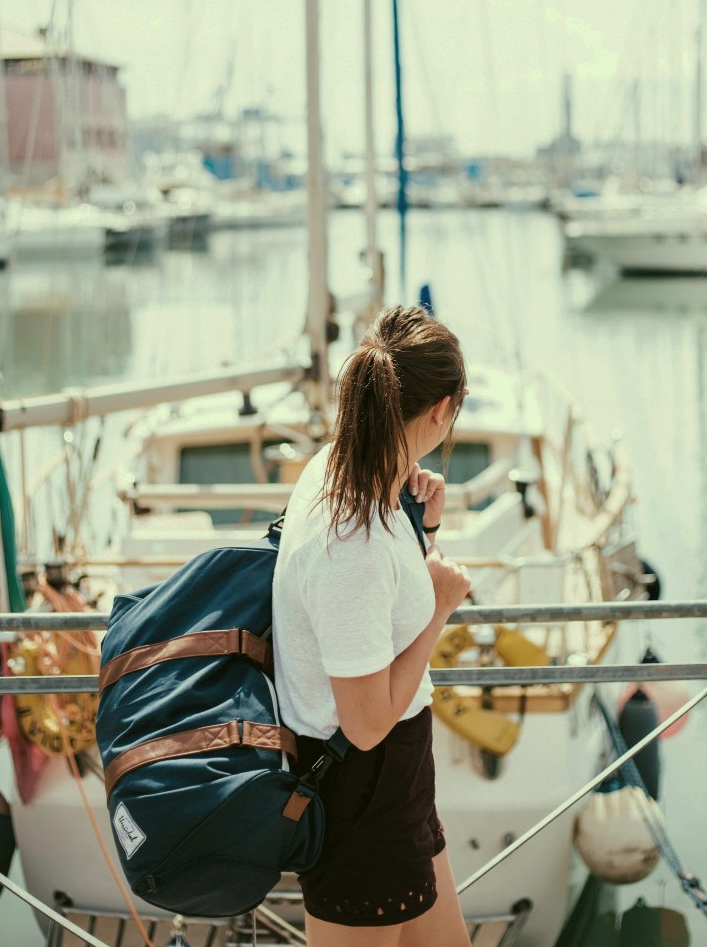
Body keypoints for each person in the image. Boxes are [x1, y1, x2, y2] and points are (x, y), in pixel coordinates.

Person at [273, 304, 473, 945]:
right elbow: (362, 724)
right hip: (362, 791)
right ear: (440, 409)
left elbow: (375, 617)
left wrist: (424, 527)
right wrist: (442, 608)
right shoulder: (351, 537)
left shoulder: (344, 469)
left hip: (399, 782)